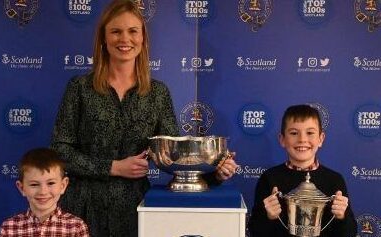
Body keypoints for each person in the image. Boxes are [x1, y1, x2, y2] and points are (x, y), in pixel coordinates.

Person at [50, 1, 238, 236]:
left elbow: (175, 156)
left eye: (132, 31)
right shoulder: (79, 88)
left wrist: (216, 173)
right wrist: (113, 167)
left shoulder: (158, 93)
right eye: (116, 31)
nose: (124, 39)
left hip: (136, 211)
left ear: (143, 39)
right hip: (82, 210)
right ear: (103, 38)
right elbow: (59, 151)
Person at [249, 104, 357, 237]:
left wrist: (342, 217)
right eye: (294, 133)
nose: (302, 139)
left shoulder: (335, 180)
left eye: (310, 133)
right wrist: (269, 217)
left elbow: (350, 233)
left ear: (321, 139)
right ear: (282, 139)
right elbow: (255, 231)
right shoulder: (269, 178)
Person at [0, 148, 89, 237]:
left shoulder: (76, 227)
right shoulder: (9, 228)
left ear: (63, 185)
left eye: (50, 183)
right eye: (34, 184)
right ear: (22, 188)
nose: (43, 191)